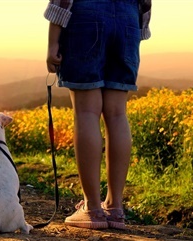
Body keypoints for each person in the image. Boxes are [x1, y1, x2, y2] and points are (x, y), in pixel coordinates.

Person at [44, 0, 151, 230]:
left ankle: (92, 209)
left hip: (86, 15)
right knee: (117, 114)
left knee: (86, 112)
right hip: (128, 17)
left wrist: (53, 40)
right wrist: (138, 24)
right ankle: (115, 208)